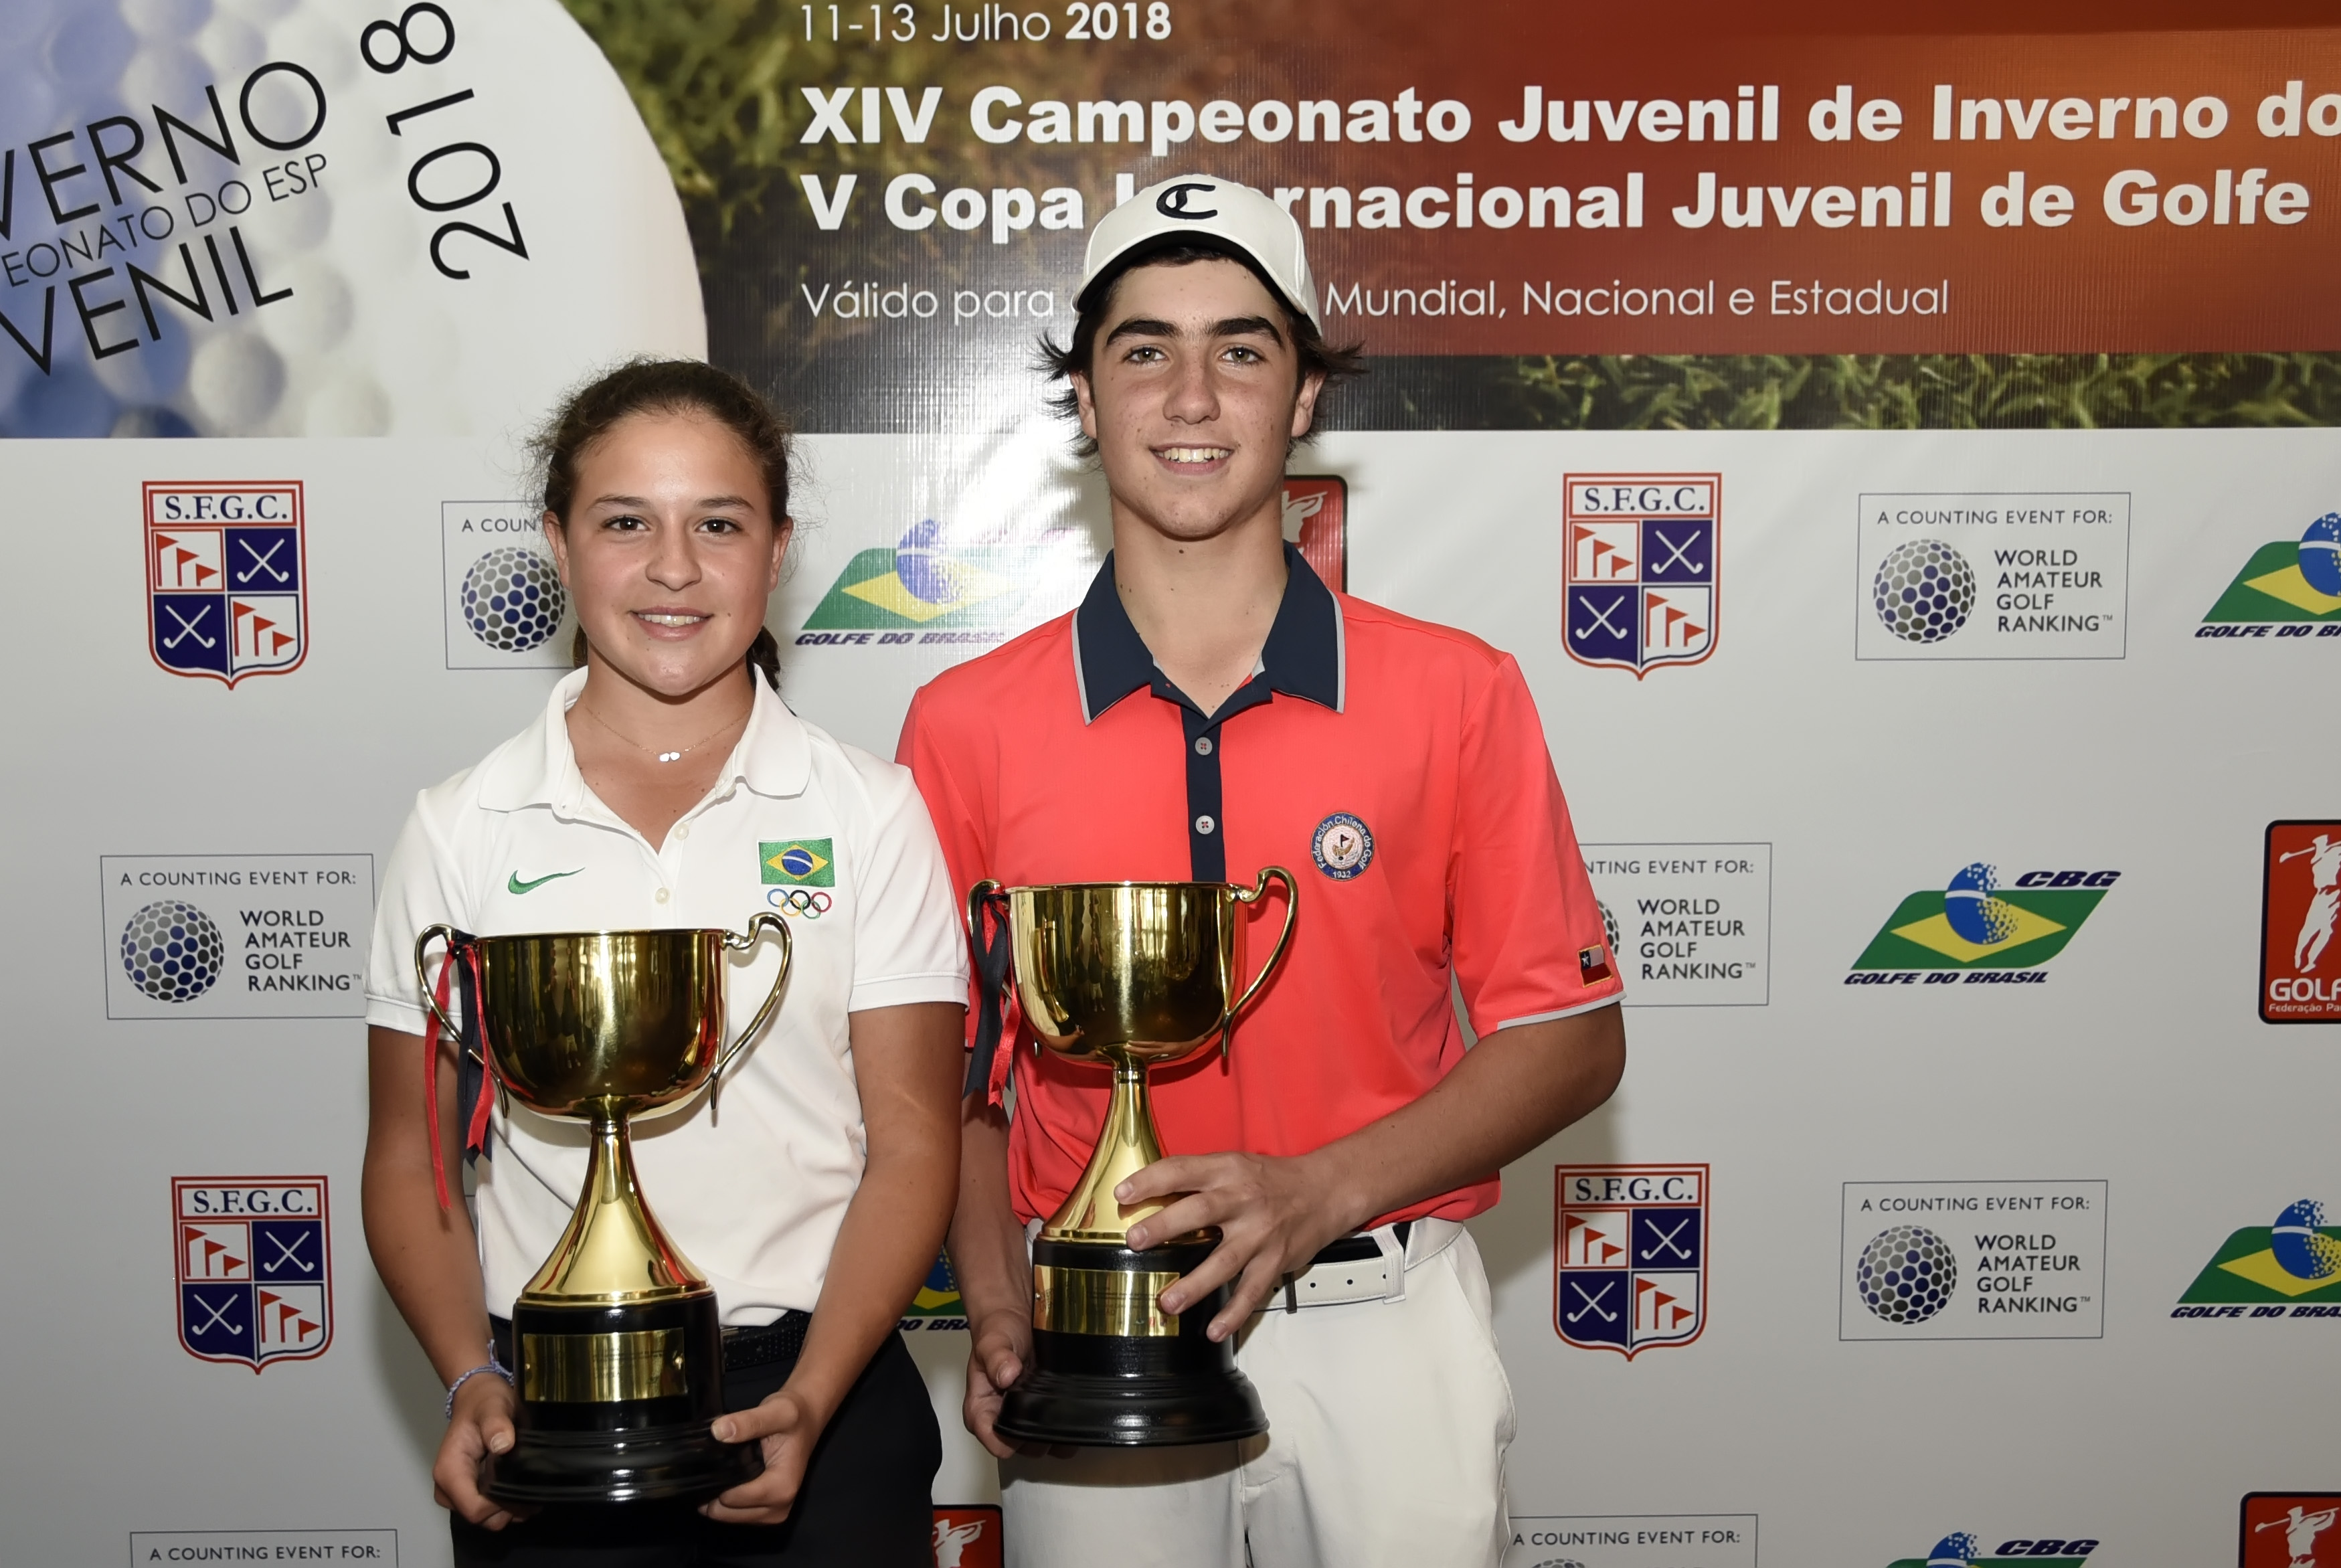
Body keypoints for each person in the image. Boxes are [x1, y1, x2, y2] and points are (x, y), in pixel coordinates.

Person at [894, 176, 1628, 1567]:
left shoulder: (1454, 691)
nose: (1191, 397)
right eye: (1144, 350)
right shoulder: (964, 724)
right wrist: (995, 1305)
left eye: (1240, 349)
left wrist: (1320, 1190)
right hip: (1097, 1331)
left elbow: (1568, 1036)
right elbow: (957, 1083)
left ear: (1302, 397)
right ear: (1084, 396)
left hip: (1381, 1325)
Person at [361, 360, 968, 1565]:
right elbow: (409, 1151)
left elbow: (913, 1143)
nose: (674, 568)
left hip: (823, 1392)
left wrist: (816, 1393)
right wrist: (468, 1374)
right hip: (551, 1415)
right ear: (557, 542)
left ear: (778, 550)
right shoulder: (462, 824)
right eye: (626, 522)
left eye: (719, 525)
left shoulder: (869, 810)